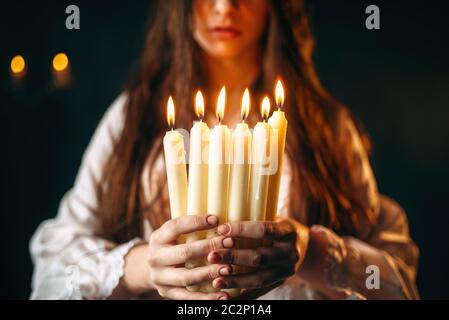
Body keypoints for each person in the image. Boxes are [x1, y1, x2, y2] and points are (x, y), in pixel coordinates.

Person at [30, 0, 419, 300]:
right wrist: (145, 265)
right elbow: (53, 268)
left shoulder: (326, 127)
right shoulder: (134, 119)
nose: (224, 6)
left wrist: (309, 252)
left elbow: (397, 280)